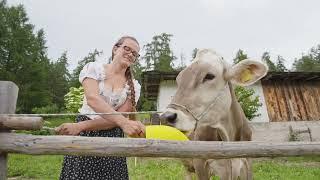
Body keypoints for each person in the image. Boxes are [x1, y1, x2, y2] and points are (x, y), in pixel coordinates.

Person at [57, 36, 145, 180]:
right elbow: (93, 99)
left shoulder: (134, 86)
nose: (130, 54)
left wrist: (80, 126)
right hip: (84, 134)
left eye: (134, 53)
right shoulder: (93, 69)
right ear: (115, 49)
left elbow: (120, 117)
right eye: (127, 49)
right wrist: (124, 123)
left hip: (112, 136)